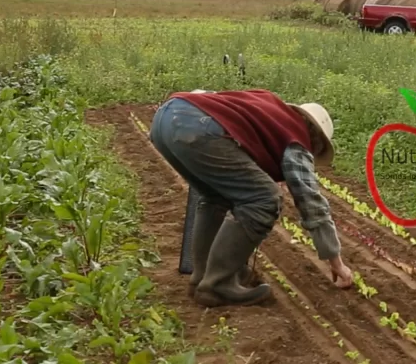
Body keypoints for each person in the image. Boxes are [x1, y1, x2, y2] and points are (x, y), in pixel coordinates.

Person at [149, 88, 353, 308]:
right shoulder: (297, 138)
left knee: (216, 197)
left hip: (165, 120)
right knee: (265, 198)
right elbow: (310, 201)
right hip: (197, 128)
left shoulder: (270, 109)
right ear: (317, 141)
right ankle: (218, 284)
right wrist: (336, 261)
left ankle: (203, 277)